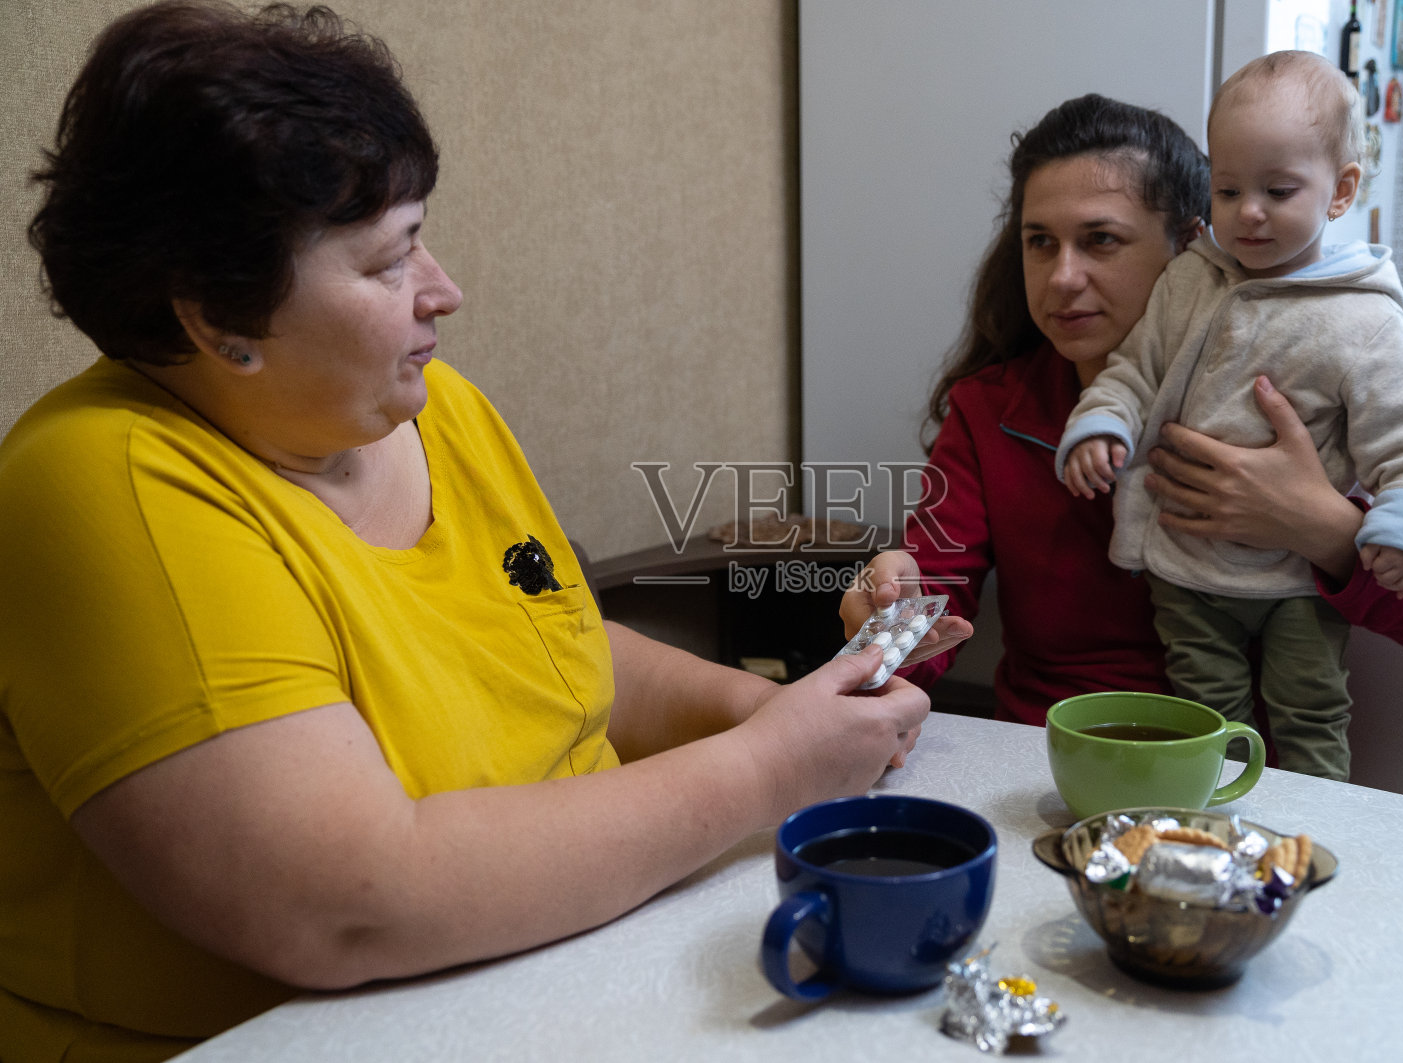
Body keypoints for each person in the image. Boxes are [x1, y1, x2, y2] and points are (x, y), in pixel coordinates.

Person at [0, 4, 928, 1060]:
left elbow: (557, 651)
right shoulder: (102, 482)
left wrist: (791, 715)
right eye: (389, 263)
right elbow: (348, 899)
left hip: (559, 976)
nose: (445, 291)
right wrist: (767, 771)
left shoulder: (440, 412)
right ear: (218, 317)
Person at [840, 93, 1403, 755]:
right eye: (1040, 243)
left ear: (1189, 244)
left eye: (1101, 240)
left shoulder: (1297, 382)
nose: (1063, 277)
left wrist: (1322, 527)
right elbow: (929, 613)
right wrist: (888, 621)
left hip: (1241, 775)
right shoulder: (991, 410)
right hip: (1046, 767)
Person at [1054, 52, 1403, 779]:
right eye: (1229, 189)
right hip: (1187, 570)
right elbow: (1135, 372)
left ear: (1342, 192)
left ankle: (1308, 834)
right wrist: (1102, 422)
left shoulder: (1363, 318)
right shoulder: (1188, 281)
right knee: (1210, 720)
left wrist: (1402, 522)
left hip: (1299, 581)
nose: (1250, 213)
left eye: (1278, 189)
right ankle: (1222, 826)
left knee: (1310, 714)